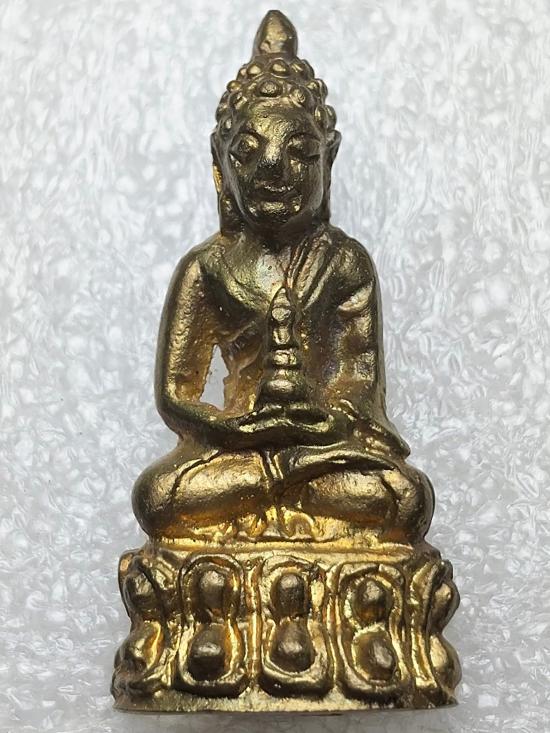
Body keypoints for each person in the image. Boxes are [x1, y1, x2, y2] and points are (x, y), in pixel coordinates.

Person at [132, 11, 434, 544]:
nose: (273, 169)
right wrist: (236, 428)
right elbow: (176, 394)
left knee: (405, 497)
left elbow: (358, 383)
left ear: (329, 159)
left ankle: (278, 484)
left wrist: (322, 418)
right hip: (237, 450)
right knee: (159, 497)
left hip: (321, 449)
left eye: (300, 153)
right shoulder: (206, 266)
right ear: (220, 164)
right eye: (248, 155)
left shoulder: (346, 263)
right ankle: (278, 481)